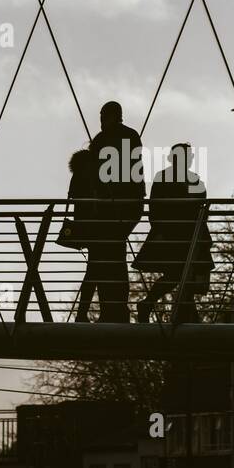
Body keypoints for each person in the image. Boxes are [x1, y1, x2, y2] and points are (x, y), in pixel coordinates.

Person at [134, 143, 212, 323]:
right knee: (182, 275)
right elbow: (156, 208)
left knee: (182, 275)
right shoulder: (184, 179)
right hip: (178, 235)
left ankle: (179, 312)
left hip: (181, 234)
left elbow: (156, 207)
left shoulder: (177, 178)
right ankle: (185, 315)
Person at [87, 100, 146, 323]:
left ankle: (111, 310)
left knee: (105, 259)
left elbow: (95, 176)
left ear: (111, 115)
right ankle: (118, 309)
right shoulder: (130, 136)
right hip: (127, 205)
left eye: (103, 115)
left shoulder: (101, 140)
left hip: (109, 207)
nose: (101, 120)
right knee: (116, 257)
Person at [57, 147, 104, 322]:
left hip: (85, 226)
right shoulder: (92, 173)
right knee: (95, 270)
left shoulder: (77, 174)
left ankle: (82, 313)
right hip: (96, 227)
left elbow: (73, 198)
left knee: (94, 269)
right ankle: (82, 313)